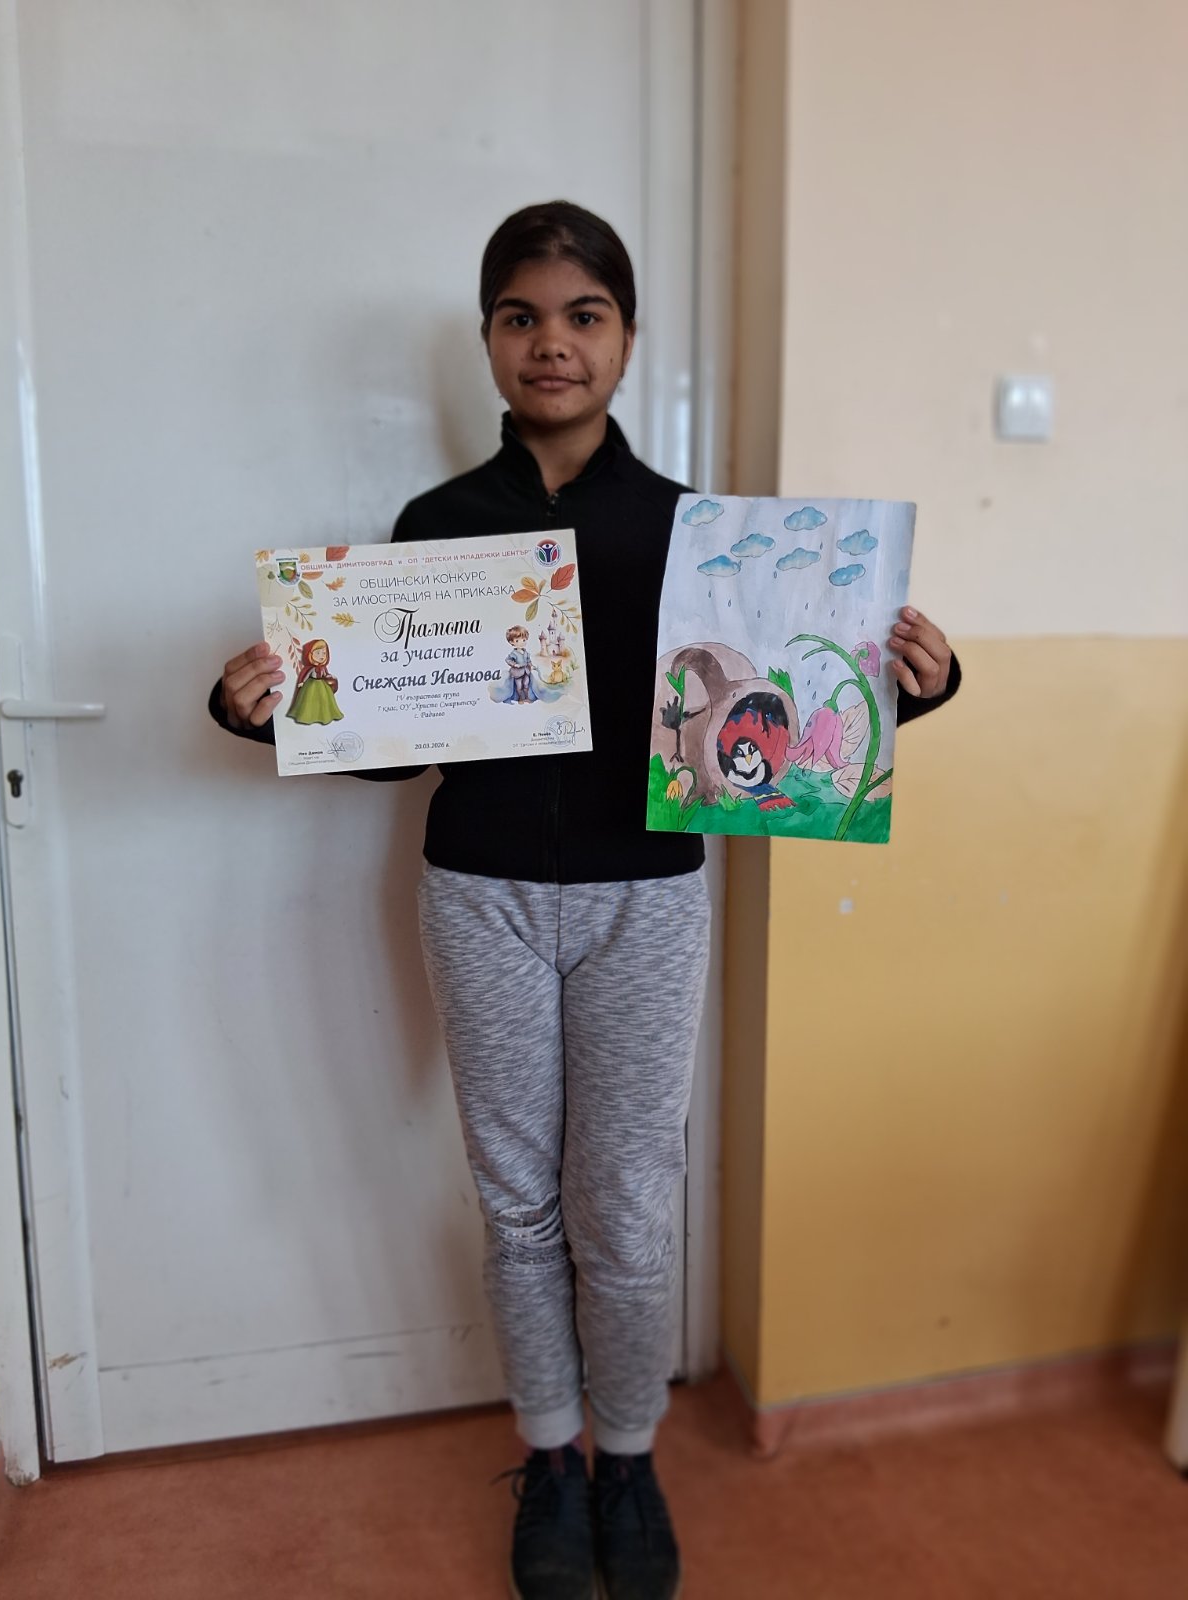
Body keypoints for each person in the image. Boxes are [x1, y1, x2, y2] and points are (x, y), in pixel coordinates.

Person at [209, 200, 960, 1600]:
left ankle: (628, 1453)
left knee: (623, 1208)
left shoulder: (697, 532)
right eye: (522, 316)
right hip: (480, 893)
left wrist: (905, 692)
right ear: (490, 337)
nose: (551, 342)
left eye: (583, 315)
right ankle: (549, 1454)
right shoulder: (438, 528)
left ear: (624, 338)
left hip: (645, 903)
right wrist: (269, 716)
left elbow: (766, 735)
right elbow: (400, 744)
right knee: (517, 1206)